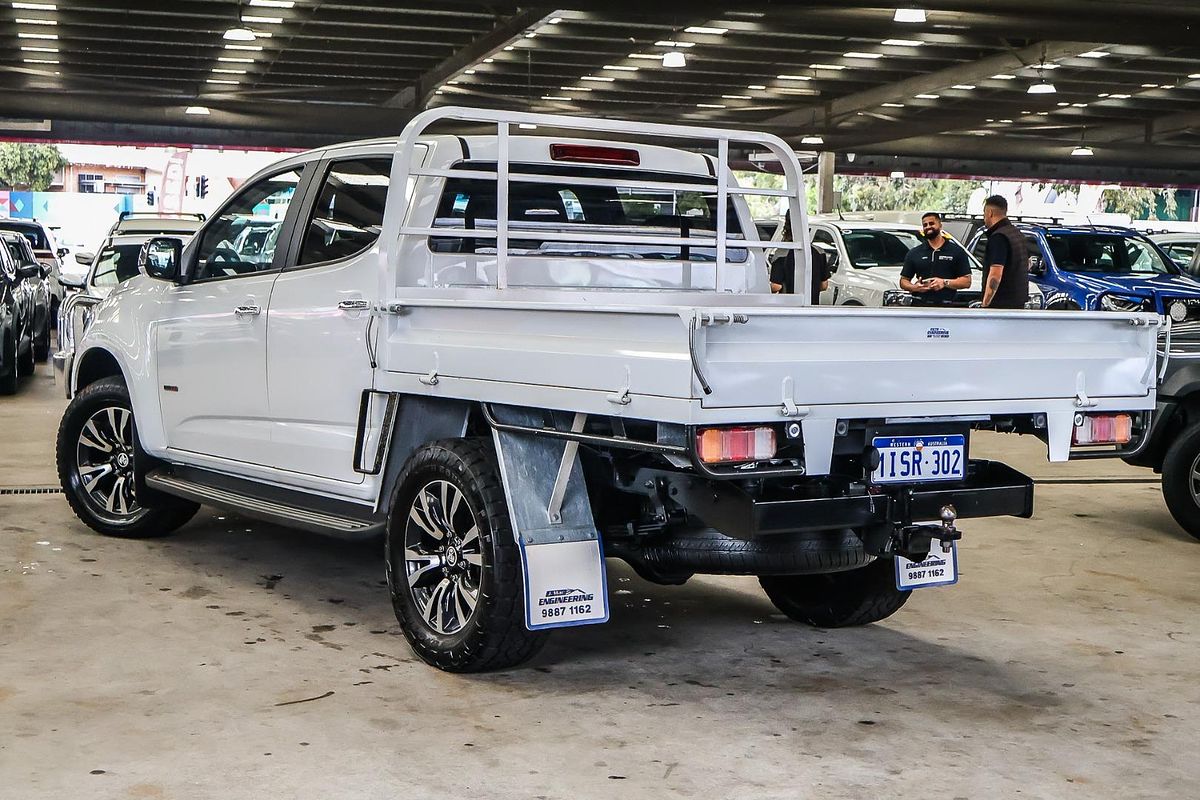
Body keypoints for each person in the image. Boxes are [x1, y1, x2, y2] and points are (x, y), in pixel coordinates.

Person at [899, 212, 972, 306]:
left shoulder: (956, 251)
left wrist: (944, 282)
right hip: (920, 305)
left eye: (932, 223)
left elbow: (967, 281)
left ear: (940, 225)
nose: (928, 227)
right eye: (925, 225)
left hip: (947, 306)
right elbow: (903, 281)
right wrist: (915, 287)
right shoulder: (914, 253)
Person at [980, 194, 1030, 309]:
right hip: (1018, 302)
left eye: (984, 214)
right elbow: (1026, 264)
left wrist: (985, 304)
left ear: (990, 213)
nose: (984, 218)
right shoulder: (1017, 234)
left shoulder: (998, 238)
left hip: (1001, 305)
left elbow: (995, 274)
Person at [769, 218, 831, 304]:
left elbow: (776, 286)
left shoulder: (781, 253)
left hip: (788, 307)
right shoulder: (819, 252)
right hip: (812, 306)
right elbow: (824, 285)